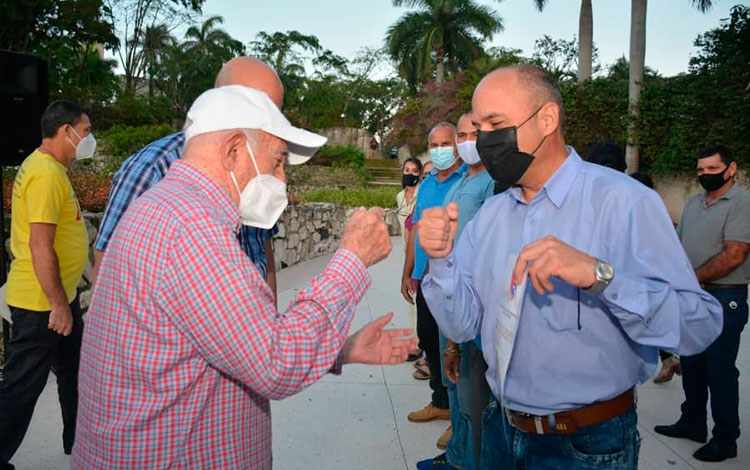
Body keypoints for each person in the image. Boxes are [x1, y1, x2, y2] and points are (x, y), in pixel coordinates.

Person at [71, 85, 418, 470]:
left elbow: (236, 339)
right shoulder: (193, 228)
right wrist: (351, 259)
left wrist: (343, 350)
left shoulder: (167, 208)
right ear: (234, 149)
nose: (282, 179)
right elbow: (275, 364)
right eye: (277, 161)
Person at [418, 64, 723, 470]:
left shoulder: (624, 202)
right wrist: (440, 262)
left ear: (547, 119)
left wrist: (601, 277)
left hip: (588, 445)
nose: (485, 140)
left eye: (496, 124)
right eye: (477, 126)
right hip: (500, 432)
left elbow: (699, 326)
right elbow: (462, 324)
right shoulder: (491, 216)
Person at [91, 57, 282, 299]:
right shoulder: (153, 169)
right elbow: (106, 270)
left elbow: (264, 253)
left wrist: (269, 322)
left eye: (274, 114)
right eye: (256, 111)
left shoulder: (261, 170)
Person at [0, 100, 94, 470]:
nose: (89, 140)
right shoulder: (45, 174)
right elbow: (40, 245)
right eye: (85, 132)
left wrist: (63, 299)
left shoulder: (50, 168)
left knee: (75, 372)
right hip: (42, 302)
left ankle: (81, 442)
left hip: (58, 296)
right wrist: (57, 304)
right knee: (22, 386)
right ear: (65, 131)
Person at [655, 145, 750, 463]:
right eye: (700, 170)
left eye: (712, 169)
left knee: (720, 370)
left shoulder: (742, 203)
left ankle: (725, 439)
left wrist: (691, 277)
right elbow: (678, 246)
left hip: (725, 296)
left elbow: (735, 253)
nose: (705, 175)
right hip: (692, 295)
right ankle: (692, 422)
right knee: (693, 365)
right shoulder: (694, 203)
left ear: (731, 168)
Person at [418, 113, 494, 470]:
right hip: (448, 289)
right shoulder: (459, 182)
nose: (466, 142)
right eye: (461, 135)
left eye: (472, 134)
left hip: (473, 298)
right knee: (454, 381)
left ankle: (469, 459)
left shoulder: (492, 184)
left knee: (472, 389)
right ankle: (458, 453)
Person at [396, 157, 424, 362]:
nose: (411, 174)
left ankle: (419, 343)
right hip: (405, 253)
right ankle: (416, 340)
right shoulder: (399, 196)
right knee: (409, 297)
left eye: (415, 171)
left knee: (418, 297)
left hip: (419, 252)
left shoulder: (423, 193)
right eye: (407, 170)